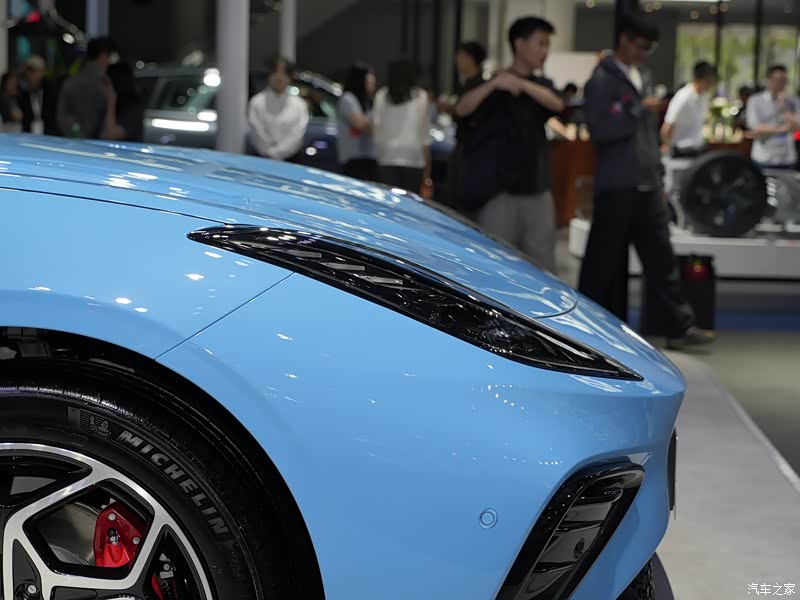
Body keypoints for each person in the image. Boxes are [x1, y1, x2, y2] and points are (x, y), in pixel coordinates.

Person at [580, 13, 713, 348]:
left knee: (661, 258)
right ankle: (582, 332)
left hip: (646, 182)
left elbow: (648, 134)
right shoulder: (602, 80)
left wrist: (657, 170)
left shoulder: (643, 76)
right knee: (601, 263)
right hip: (617, 184)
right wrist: (637, 110)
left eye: (649, 49)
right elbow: (601, 131)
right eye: (640, 47)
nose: (643, 54)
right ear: (623, 40)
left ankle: (679, 326)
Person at [454, 17, 565, 273]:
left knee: (542, 264)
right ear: (520, 44)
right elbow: (462, 108)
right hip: (498, 191)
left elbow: (557, 104)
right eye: (541, 43)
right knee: (495, 264)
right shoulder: (492, 83)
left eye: (547, 45)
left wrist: (522, 84)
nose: (545, 51)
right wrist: (496, 83)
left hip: (536, 187)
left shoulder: (541, 85)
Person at [372, 60, 432, 193]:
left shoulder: (381, 95)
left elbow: (376, 129)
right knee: (410, 202)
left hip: (387, 156)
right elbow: (424, 135)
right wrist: (428, 172)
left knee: (389, 200)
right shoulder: (420, 96)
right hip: (413, 157)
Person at [247, 57, 309, 162]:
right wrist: (269, 152)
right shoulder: (256, 102)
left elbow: (297, 134)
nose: (279, 77)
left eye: (284, 73)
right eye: (275, 72)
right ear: (269, 75)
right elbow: (256, 131)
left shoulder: (299, 105)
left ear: (290, 77)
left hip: (291, 161)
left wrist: (278, 152)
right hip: (261, 159)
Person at [57, 37, 120, 139]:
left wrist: (76, 133)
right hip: (97, 141)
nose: (109, 62)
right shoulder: (105, 83)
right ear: (103, 56)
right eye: (109, 57)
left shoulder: (71, 81)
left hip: (74, 140)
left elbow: (62, 116)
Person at [746, 65, 800, 169]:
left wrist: (784, 107)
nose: (781, 84)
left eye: (784, 81)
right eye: (778, 80)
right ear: (769, 80)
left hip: (787, 157)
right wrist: (783, 129)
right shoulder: (755, 101)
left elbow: (798, 127)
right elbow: (755, 127)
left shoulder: (793, 101)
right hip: (763, 157)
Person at [661, 61, 717, 156]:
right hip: (681, 151)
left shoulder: (704, 97)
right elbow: (667, 128)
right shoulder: (683, 97)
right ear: (697, 79)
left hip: (698, 149)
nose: (710, 85)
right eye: (708, 81)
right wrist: (668, 148)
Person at [337, 62, 377, 180]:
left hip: (370, 158)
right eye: (370, 76)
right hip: (353, 160)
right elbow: (361, 124)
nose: (374, 80)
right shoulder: (348, 99)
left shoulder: (369, 102)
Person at [17, 55, 58, 135]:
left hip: (49, 132)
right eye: (28, 70)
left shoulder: (51, 89)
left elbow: (54, 113)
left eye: (34, 71)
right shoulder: (23, 91)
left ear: (42, 72)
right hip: (29, 133)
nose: (30, 74)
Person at [107, 62, 145, 142]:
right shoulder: (112, 106)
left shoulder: (132, 109)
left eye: (107, 83)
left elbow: (110, 134)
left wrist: (111, 101)